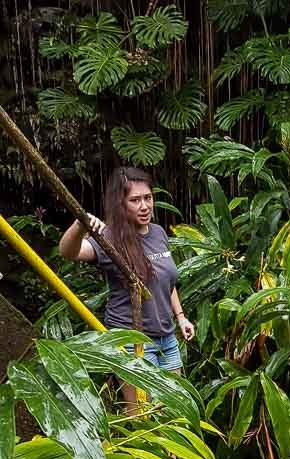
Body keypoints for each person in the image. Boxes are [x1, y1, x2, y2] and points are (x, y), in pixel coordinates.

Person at [59, 166, 194, 410]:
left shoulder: (158, 233)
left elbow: (166, 281)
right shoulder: (110, 239)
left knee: (174, 412)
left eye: (148, 198)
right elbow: (69, 252)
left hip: (167, 338)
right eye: (135, 200)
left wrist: (181, 318)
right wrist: (82, 224)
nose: (144, 206)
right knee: (141, 416)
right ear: (120, 204)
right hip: (133, 341)